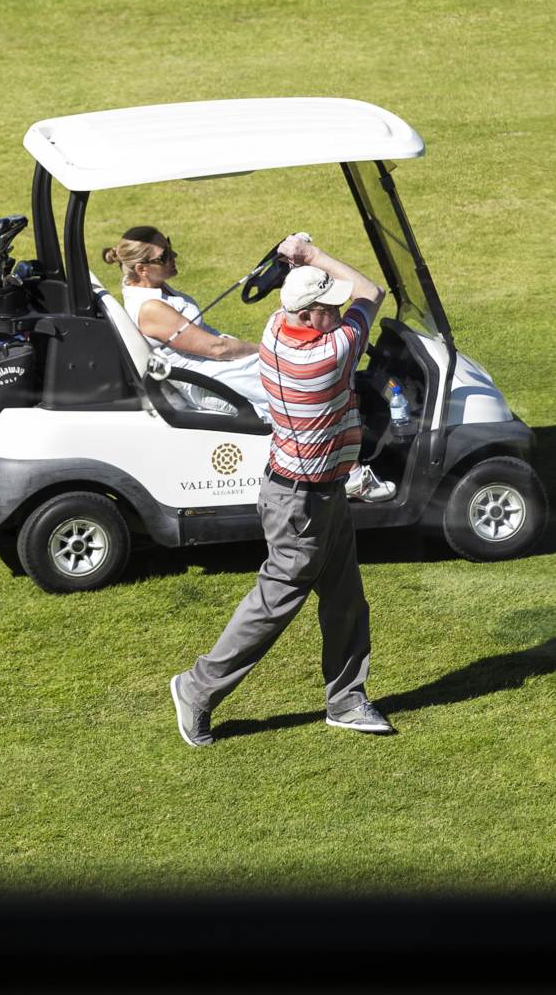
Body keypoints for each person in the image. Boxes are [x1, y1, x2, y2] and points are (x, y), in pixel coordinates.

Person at [168, 234, 397, 746]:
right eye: (329, 309)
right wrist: (311, 255)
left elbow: (341, 298)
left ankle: (346, 699)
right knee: (275, 602)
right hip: (300, 503)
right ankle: (197, 688)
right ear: (309, 315)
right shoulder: (330, 354)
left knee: (345, 596)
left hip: (317, 490)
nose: (338, 313)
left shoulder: (276, 328)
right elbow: (372, 291)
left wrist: (300, 269)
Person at [103, 226, 394, 501]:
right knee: (311, 389)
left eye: (169, 246)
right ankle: (352, 475)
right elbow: (216, 348)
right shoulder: (150, 307)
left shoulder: (152, 288)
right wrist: (269, 350)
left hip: (217, 365)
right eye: (164, 255)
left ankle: (350, 452)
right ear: (142, 269)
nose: (174, 256)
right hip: (209, 377)